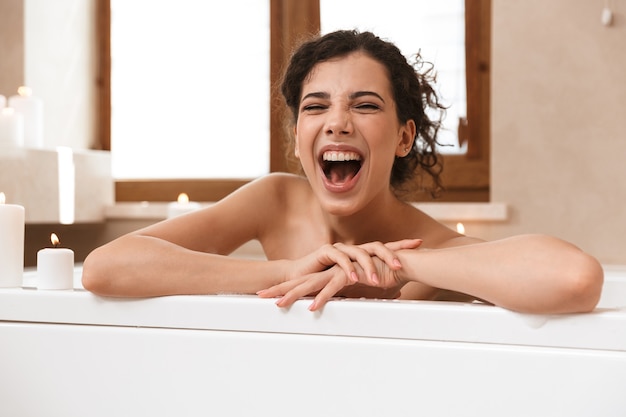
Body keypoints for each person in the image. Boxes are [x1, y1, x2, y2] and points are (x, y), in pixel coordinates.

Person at [82, 29, 603, 314]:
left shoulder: (425, 247)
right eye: (315, 107)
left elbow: (576, 278)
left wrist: (407, 270)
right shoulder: (275, 201)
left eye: (366, 105)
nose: (336, 124)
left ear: (404, 137)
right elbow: (106, 268)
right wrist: (284, 273)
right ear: (296, 139)